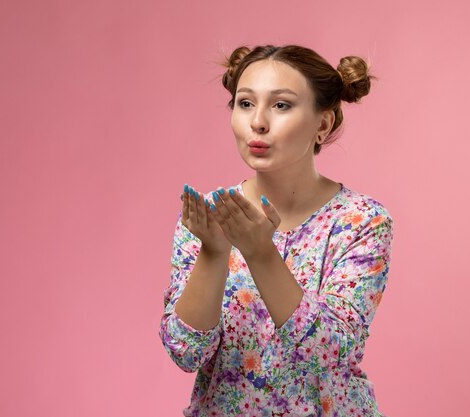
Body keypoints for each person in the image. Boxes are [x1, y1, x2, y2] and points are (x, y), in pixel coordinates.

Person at [158, 44, 394, 417]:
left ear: (323, 123)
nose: (258, 122)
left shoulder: (361, 221)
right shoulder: (212, 217)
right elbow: (186, 352)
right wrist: (214, 253)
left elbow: (328, 354)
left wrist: (260, 253)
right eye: (246, 103)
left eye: (281, 104)